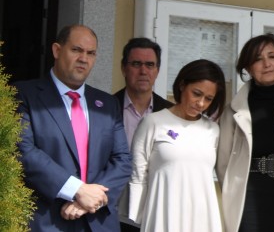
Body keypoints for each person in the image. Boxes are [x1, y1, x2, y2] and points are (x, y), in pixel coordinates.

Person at [15, 24, 132, 231]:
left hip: (97, 221)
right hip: (48, 220)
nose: (83, 59)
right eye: (76, 50)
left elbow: (122, 159)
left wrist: (90, 200)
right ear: (57, 51)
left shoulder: (106, 103)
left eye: (91, 53)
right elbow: (24, 150)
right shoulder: (24, 95)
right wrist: (76, 189)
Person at [216, 33, 274, 232]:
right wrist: (232, 190)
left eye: (272, 56)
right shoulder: (233, 110)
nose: (266, 64)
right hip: (246, 200)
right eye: (258, 59)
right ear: (248, 68)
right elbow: (223, 163)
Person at [128, 59, 226, 232]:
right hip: (162, 215)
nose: (201, 103)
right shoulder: (153, 122)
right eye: (196, 93)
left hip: (202, 218)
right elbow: (138, 173)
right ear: (182, 85)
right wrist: (139, 216)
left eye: (208, 98)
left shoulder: (213, 130)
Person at [113, 38, 173, 232]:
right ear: (124, 68)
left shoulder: (171, 113)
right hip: (113, 208)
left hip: (157, 207)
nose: (143, 71)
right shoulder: (105, 108)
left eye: (150, 65)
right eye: (136, 64)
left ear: (157, 70)